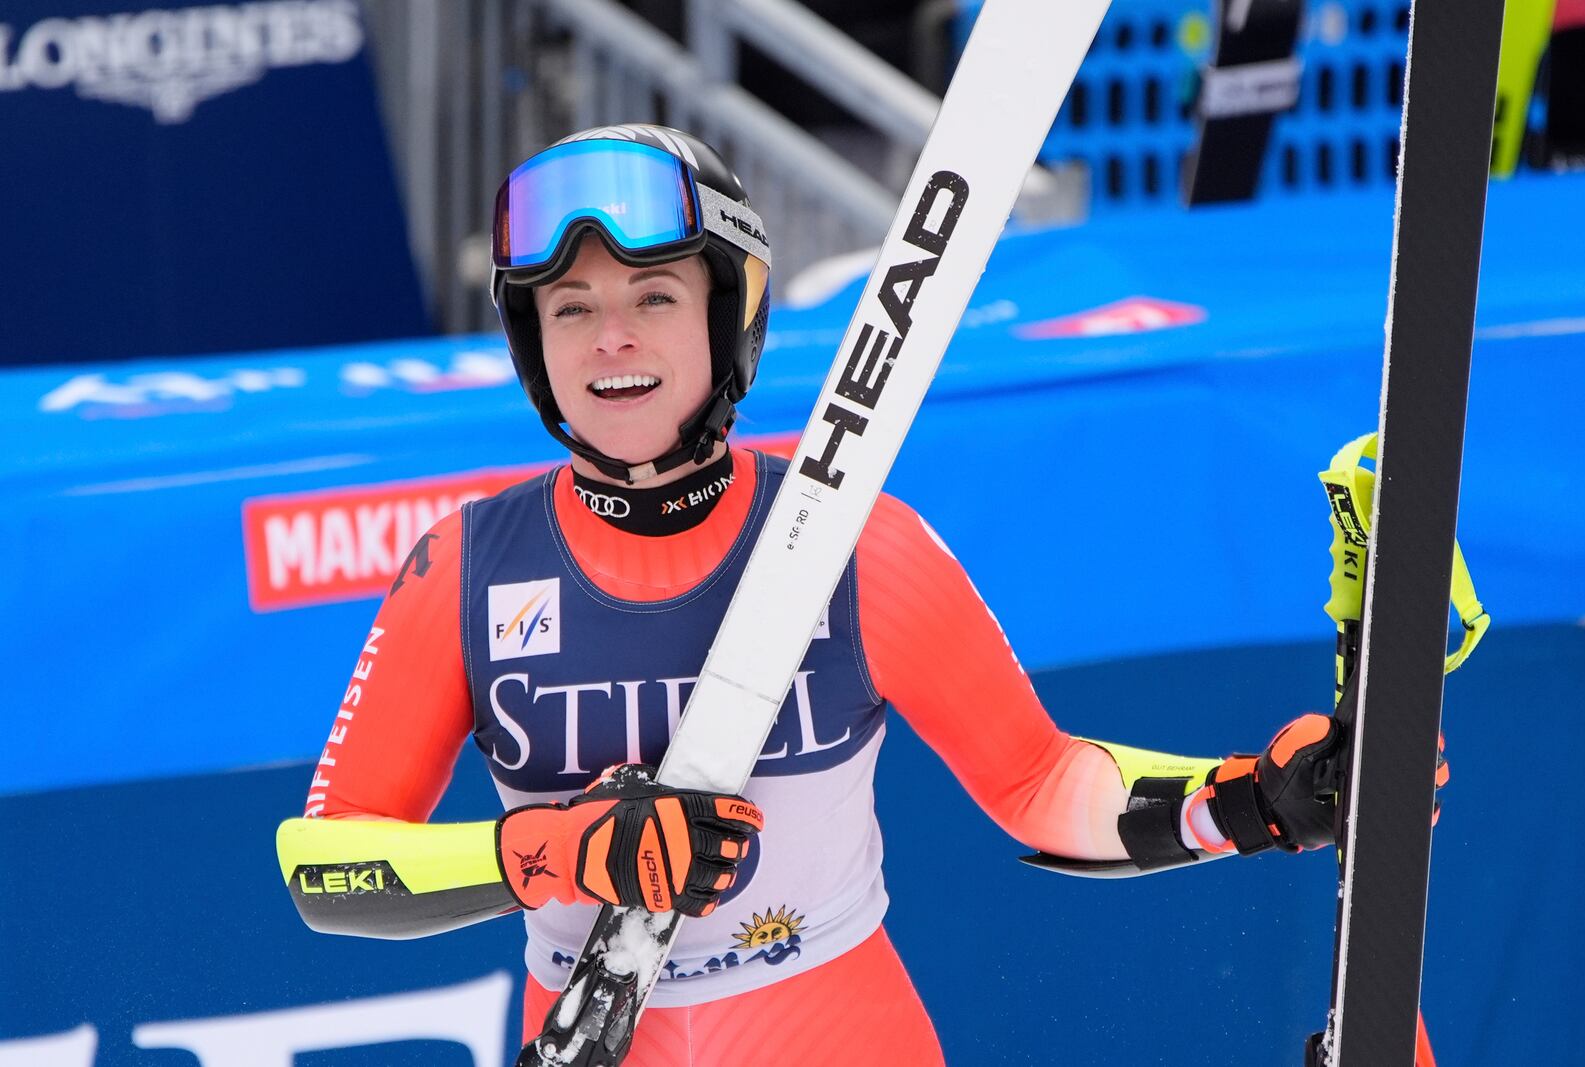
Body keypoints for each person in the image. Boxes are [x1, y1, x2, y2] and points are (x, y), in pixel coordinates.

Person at [276, 124, 1408, 1066]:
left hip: (833, 1018)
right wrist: (559, 852)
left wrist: (1252, 800)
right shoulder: (464, 567)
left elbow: (1035, 777)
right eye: (569, 306)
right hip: (587, 1025)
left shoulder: (852, 542)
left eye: (654, 296)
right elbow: (324, 868)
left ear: (727, 316)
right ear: (533, 342)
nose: (611, 336)